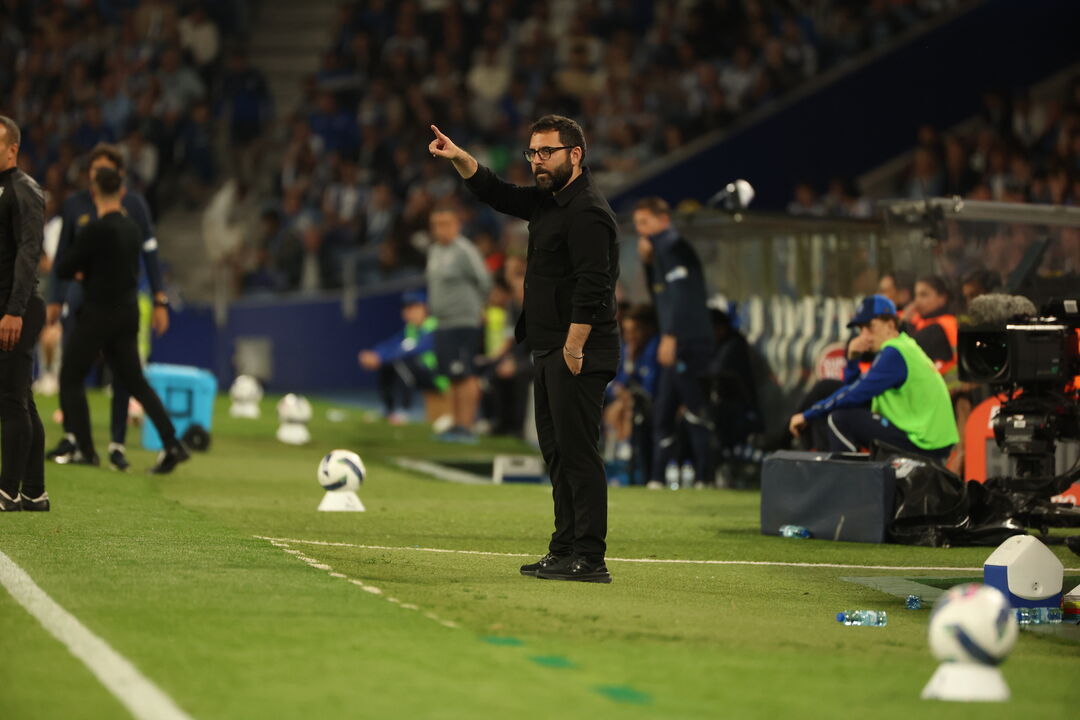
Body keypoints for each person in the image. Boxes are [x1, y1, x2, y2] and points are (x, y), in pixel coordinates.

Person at [429, 115, 619, 583]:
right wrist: (461, 160)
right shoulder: (549, 202)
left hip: (577, 350)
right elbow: (497, 193)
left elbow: (595, 286)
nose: (537, 161)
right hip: (549, 347)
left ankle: (590, 557)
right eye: (532, 152)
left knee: (578, 452)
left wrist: (573, 348)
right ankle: (563, 549)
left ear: (575, 154)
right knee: (556, 452)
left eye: (546, 152)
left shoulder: (588, 211)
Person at [55, 166, 190, 474]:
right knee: (135, 382)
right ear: (121, 193)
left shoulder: (95, 229)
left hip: (97, 313)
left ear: (94, 193)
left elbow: (64, 267)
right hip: (127, 314)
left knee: (71, 377)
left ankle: (86, 450)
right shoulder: (132, 228)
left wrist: (83, 271)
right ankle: (172, 443)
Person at [788, 295, 958, 463]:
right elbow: (853, 392)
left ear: (890, 324)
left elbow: (854, 393)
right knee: (834, 400)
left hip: (924, 442)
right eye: (860, 329)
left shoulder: (895, 352)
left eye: (870, 327)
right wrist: (853, 359)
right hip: (926, 438)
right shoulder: (902, 346)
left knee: (839, 419)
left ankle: (848, 487)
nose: (864, 336)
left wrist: (808, 415)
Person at [634, 197, 716, 489]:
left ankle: (705, 477)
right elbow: (661, 297)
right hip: (674, 340)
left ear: (662, 220)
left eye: (645, 223)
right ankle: (656, 479)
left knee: (694, 409)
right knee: (663, 411)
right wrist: (646, 264)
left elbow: (683, 297)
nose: (641, 231)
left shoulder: (676, 249)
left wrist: (670, 335)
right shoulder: (660, 253)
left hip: (688, 341)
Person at [0, 116, 49, 511]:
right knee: (21, 399)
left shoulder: (24, 191)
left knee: (11, 400)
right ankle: (34, 492)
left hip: (16, 307)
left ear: (12, 148)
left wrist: (13, 311)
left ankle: (8, 491)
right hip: (5, 306)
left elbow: (29, 254)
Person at [425, 203, 491, 441]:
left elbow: (484, 280)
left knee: (466, 373)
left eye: (445, 224)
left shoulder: (465, 250)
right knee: (451, 375)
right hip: (442, 322)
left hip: (463, 321)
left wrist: (475, 308)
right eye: (435, 225)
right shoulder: (434, 251)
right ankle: (455, 423)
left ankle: (467, 426)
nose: (439, 229)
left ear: (457, 225)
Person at [357, 290, 446, 424]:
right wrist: (375, 354)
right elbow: (391, 344)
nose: (408, 312)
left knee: (401, 361)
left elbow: (416, 350)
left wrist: (381, 358)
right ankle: (389, 408)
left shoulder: (433, 326)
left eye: (413, 307)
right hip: (419, 373)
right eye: (406, 308)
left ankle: (404, 410)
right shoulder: (410, 328)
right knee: (388, 364)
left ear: (425, 308)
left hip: (438, 377)